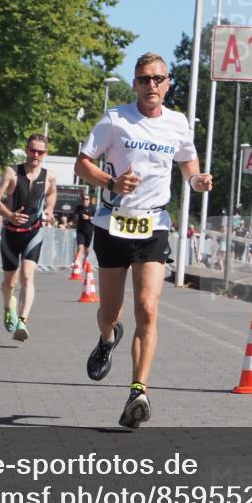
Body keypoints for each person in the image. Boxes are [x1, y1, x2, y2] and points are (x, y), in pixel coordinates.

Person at [75, 52, 212, 428]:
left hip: (154, 224)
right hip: (112, 224)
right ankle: (107, 338)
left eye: (158, 78)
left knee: (148, 309)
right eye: (143, 79)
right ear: (134, 83)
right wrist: (111, 182)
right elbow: (81, 163)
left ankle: (139, 392)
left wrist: (197, 181)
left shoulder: (178, 123)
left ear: (168, 84)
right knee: (110, 312)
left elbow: (189, 166)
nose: (151, 85)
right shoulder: (116, 120)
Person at [0, 134, 57, 341]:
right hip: (11, 233)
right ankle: (7, 305)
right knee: (10, 283)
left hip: (33, 232)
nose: (36, 155)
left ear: (46, 154)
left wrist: (49, 209)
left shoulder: (49, 176)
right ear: (26, 149)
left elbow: (52, 194)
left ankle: (23, 320)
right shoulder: (12, 172)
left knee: (27, 275)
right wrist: (10, 215)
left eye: (40, 152)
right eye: (32, 150)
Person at [72, 192, 95, 271]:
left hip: (89, 230)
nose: (85, 201)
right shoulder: (78, 208)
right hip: (80, 230)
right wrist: (74, 220)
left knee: (87, 249)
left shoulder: (93, 208)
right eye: (83, 199)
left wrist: (88, 218)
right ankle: (77, 263)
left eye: (87, 199)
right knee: (80, 247)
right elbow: (74, 218)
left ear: (89, 200)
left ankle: (85, 259)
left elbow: (96, 219)